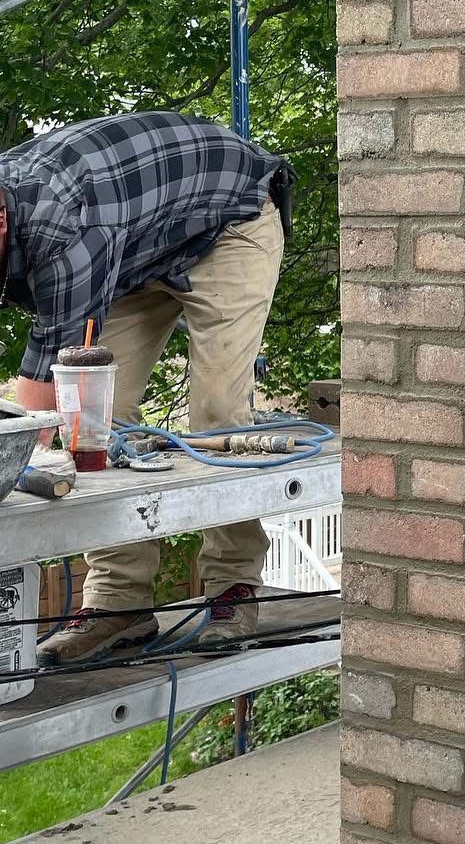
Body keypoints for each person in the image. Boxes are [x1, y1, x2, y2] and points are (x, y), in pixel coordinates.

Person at [0, 111, 293, 665]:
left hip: (228, 222)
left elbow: (39, 414)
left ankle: (232, 586)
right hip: (137, 245)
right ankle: (119, 603)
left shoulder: (60, 231)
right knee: (97, 424)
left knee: (216, 412)